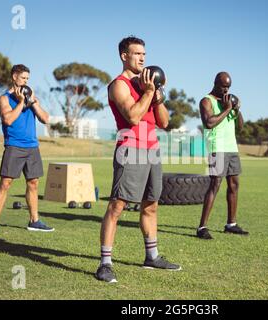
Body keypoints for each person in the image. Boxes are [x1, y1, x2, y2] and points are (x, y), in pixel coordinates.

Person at [95, 36, 181, 283]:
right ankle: (105, 263)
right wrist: (148, 92)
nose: (142, 58)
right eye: (137, 54)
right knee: (117, 206)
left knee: (151, 205)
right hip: (130, 148)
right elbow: (132, 117)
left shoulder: (147, 86)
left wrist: (158, 96)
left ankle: (151, 256)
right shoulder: (119, 85)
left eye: (144, 54)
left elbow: (164, 122)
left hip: (152, 148)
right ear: (124, 55)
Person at [0, 64, 54, 237]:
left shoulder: (30, 98)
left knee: (33, 183)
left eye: (28, 79)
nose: (26, 81)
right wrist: (22, 102)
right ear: (14, 77)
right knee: (5, 184)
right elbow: (8, 120)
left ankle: (34, 221)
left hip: (32, 147)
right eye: (23, 78)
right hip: (14, 146)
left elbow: (45, 119)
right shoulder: (4, 98)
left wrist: (33, 102)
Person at [196, 72, 249, 240]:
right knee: (215, 185)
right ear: (215, 83)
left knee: (234, 185)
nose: (226, 90)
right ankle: (202, 227)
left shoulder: (228, 102)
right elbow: (209, 123)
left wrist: (236, 110)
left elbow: (240, 127)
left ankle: (231, 224)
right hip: (217, 148)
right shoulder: (206, 101)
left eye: (228, 87)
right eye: (223, 86)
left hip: (231, 148)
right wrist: (227, 109)